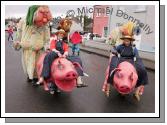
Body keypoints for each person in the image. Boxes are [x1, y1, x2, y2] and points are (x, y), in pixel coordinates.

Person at [103, 22, 148, 101]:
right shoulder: (120, 46)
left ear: (130, 41)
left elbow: (136, 56)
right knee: (112, 67)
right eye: (125, 40)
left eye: (128, 41)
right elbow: (114, 50)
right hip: (121, 60)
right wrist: (113, 51)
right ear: (123, 40)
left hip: (131, 61)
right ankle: (108, 86)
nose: (126, 42)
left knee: (142, 70)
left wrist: (137, 59)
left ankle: (137, 91)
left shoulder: (133, 48)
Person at [13, 5, 52, 85]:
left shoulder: (45, 24)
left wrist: (47, 46)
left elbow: (47, 36)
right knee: (27, 63)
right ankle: (29, 75)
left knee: (39, 63)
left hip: (40, 47)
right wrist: (17, 42)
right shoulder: (24, 21)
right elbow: (19, 33)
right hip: (27, 47)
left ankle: (36, 77)